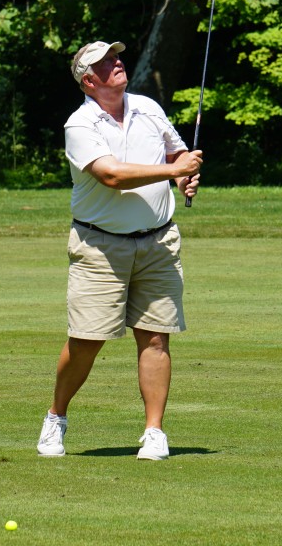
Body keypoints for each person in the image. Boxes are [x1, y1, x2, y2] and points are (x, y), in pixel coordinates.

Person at [37, 40, 202, 461]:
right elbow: (111, 175)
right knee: (87, 341)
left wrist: (182, 176)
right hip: (100, 246)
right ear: (88, 81)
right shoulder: (80, 125)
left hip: (158, 241)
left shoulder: (148, 107)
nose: (116, 62)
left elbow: (176, 151)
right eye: (105, 62)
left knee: (156, 338)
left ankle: (154, 432)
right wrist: (173, 170)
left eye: (115, 56)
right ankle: (56, 415)